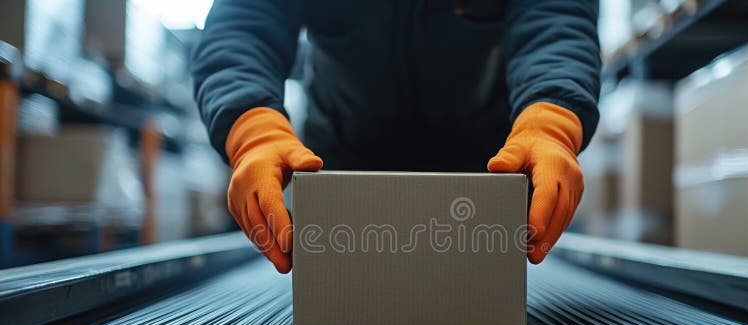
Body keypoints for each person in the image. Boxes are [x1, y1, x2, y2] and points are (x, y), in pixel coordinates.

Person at [192, 0, 601, 273]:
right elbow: (246, 18)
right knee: (346, 312)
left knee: (471, 311)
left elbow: (554, 15)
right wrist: (252, 131)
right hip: (340, 170)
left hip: (481, 174)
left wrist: (551, 120)